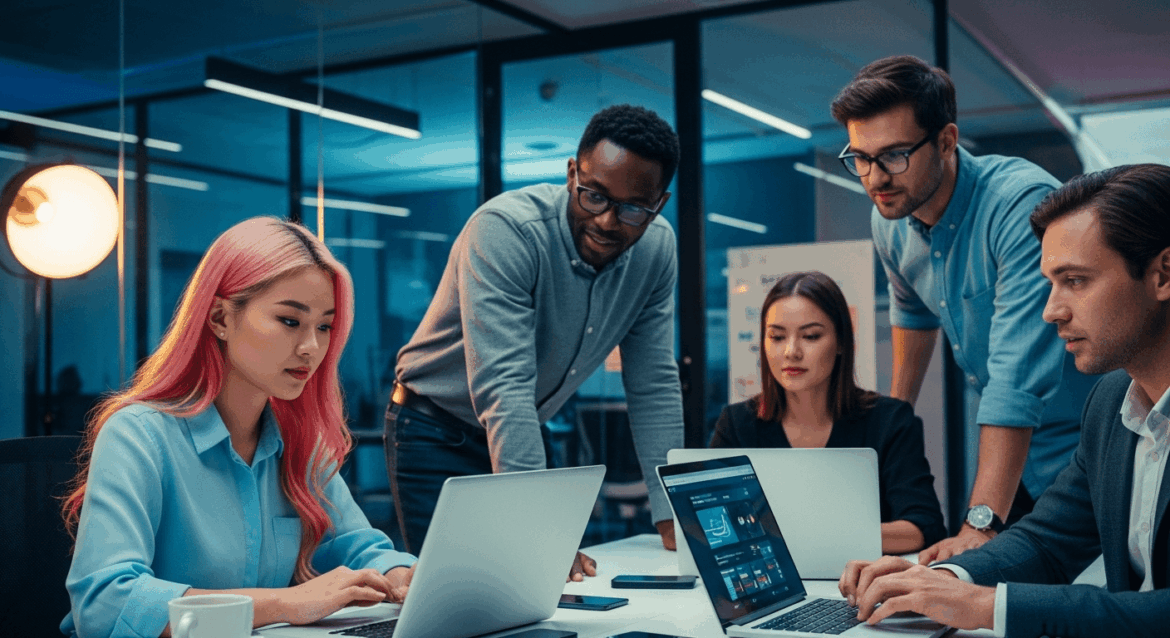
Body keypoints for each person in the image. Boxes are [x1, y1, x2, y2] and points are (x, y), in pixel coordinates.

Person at [838, 164, 1170, 637]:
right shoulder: (1112, 405)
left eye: (1075, 280)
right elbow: (1048, 541)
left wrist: (989, 606)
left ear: (1163, 274)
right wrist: (939, 581)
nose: (1051, 311)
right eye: (1050, 283)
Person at [60, 217, 416, 638]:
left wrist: (401, 576)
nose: (311, 348)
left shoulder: (300, 441)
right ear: (219, 318)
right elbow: (104, 604)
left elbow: (357, 548)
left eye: (324, 326)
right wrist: (285, 604)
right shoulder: (138, 436)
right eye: (289, 320)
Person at [386, 104, 684, 577]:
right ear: (572, 174)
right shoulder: (506, 231)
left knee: (536, 590)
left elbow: (653, 382)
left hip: (525, 424)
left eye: (631, 209)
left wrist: (671, 510)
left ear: (658, 205)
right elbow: (504, 387)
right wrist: (537, 531)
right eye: (594, 196)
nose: (607, 221)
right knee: (455, 594)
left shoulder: (657, 250)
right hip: (434, 428)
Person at [830, 55, 1098, 563]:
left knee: (1086, 601)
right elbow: (912, 311)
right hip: (1008, 461)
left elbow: (1015, 379)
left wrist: (980, 522)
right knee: (989, 598)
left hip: (1082, 446)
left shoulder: (1020, 206)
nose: (873, 178)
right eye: (860, 157)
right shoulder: (888, 218)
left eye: (892, 156)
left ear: (947, 141)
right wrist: (894, 426)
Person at [710, 271, 946, 554]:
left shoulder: (890, 420)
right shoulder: (737, 423)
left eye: (810, 336)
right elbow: (710, 523)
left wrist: (801, 536)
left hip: (861, 585)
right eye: (776, 337)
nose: (791, 352)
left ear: (842, 343)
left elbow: (923, 527)